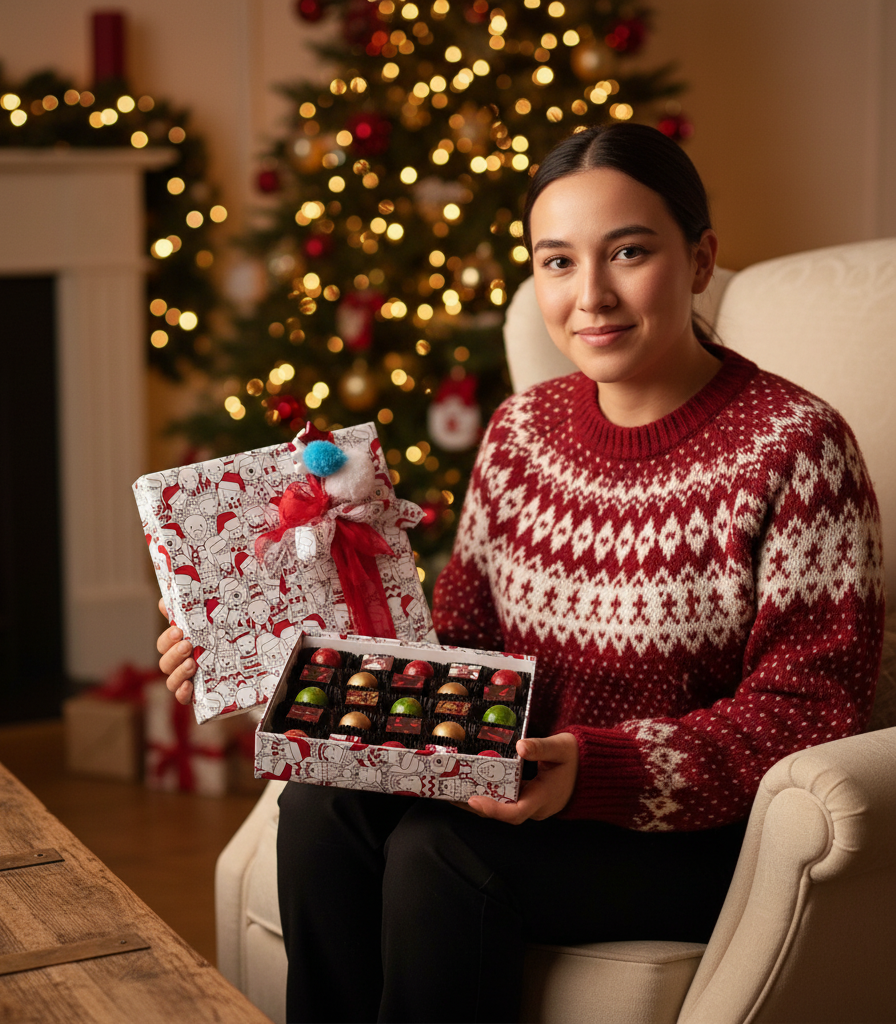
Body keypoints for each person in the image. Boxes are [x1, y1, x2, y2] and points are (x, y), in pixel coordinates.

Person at [157, 123, 885, 1024]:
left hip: (704, 829)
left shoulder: (798, 446)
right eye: (557, 262)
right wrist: (260, 659)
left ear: (700, 260)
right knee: (321, 807)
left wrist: (599, 770)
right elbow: (458, 649)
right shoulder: (521, 430)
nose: (592, 296)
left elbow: (812, 711)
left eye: (628, 252)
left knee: (438, 857)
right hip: (523, 774)